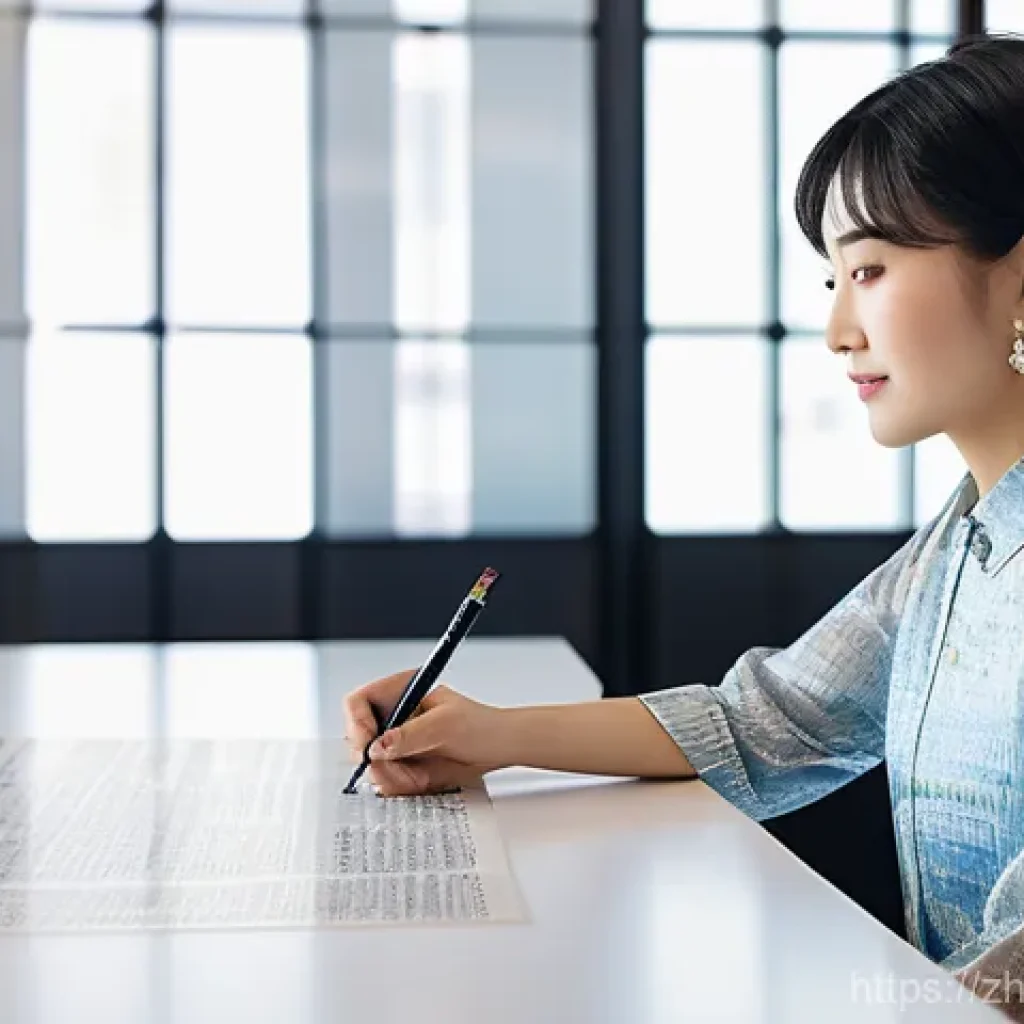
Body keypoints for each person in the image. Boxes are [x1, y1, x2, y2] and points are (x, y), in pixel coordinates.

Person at [344, 33, 1024, 1017]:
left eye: (869, 270)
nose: (837, 331)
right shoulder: (959, 540)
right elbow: (769, 720)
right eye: (831, 281)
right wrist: (489, 736)